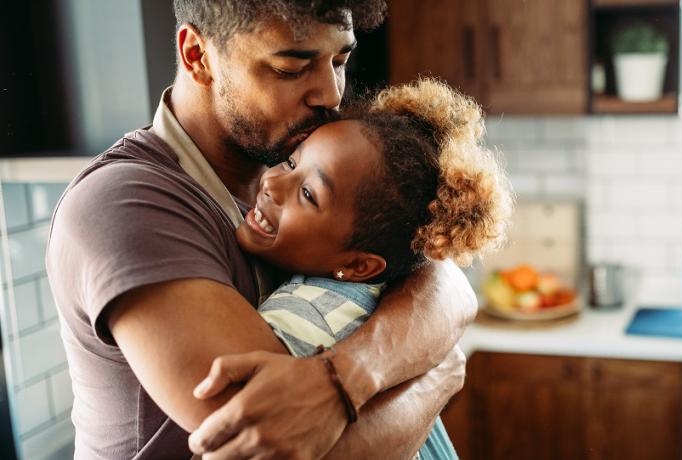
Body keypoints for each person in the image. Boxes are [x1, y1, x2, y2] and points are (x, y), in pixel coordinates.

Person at [45, 1, 477, 459]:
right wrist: (437, 377)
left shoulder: (288, 165)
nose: (330, 94)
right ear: (197, 55)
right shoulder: (125, 203)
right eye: (292, 67)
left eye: (339, 61)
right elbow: (297, 450)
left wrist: (351, 373)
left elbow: (443, 278)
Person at [226, 78, 512, 459]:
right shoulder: (383, 294)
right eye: (293, 161)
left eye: (308, 195)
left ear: (358, 265)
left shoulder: (304, 319)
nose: (273, 183)